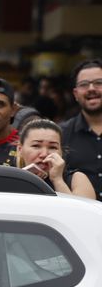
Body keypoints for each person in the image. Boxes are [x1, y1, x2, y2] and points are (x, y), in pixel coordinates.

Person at [19, 119, 97, 200]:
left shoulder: (77, 179)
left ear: (61, 152)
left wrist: (57, 180)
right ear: (20, 149)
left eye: (52, 147)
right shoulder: (9, 177)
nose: (44, 154)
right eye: (36, 146)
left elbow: (81, 211)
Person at [61, 59, 102, 197]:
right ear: (75, 94)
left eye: (98, 83)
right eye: (84, 84)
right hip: (81, 217)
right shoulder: (61, 135)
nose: (91, 89)